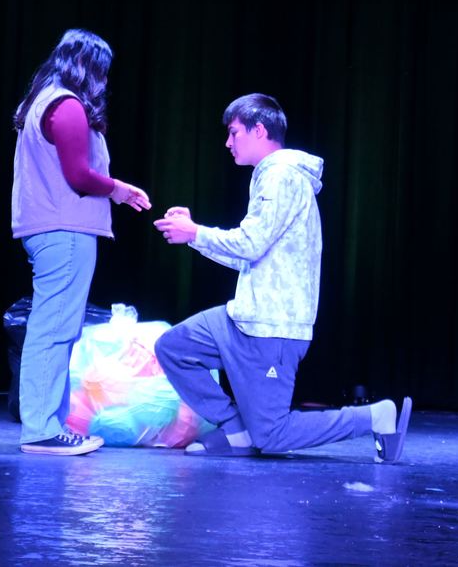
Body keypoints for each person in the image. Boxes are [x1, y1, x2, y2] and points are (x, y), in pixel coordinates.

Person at [153, 93, 411, 462]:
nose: (228, 142)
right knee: (174, 347)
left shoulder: (281, 176)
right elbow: (249, 254)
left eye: (234, 132)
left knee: (272, 436)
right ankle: (236, 431)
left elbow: (251, 243)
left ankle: (373, 416)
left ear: (258, 130)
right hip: (244, 317)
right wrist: (193, 236)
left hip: (272, 326)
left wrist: (194, 232)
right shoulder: (269, 176)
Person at [11, 28, 151, 455]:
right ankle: (41, 429)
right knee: (54, 331)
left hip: (47, 227)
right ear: (89, 67)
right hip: (65, 230)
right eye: (103, 71)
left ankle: (45, 424)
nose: (105, 82)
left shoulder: (41, 101)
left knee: (54, 329)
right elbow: (79, 176)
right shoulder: (67, 106)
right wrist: (120, 190)